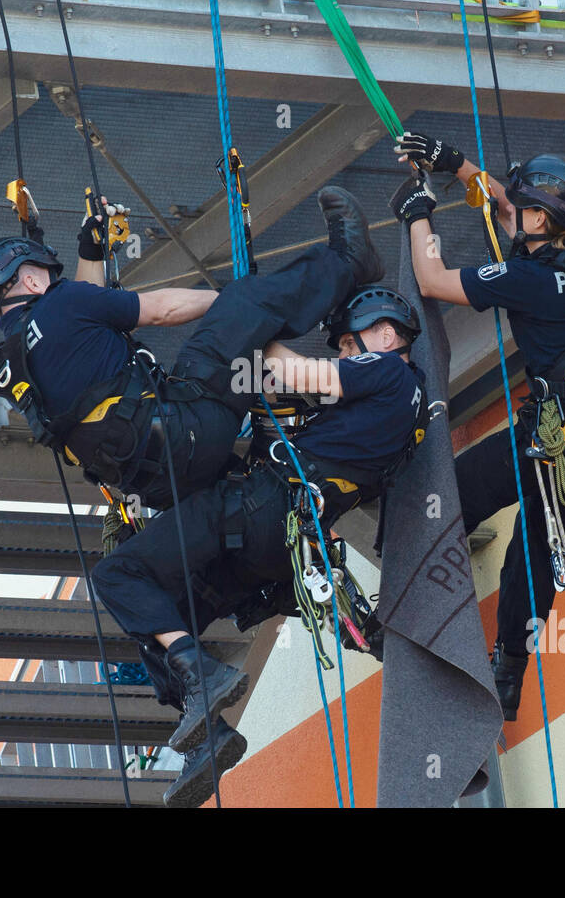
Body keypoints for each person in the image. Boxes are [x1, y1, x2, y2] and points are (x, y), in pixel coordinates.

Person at [93, 284, 426, 807]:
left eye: (346, 345)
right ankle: (209, 737)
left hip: (262, 510)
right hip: (276, 547)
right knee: (158, 625)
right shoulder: (394, 413)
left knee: (117, 576)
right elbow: (293, 402)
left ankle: (206, 684)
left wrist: (249, 319)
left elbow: (303, 374)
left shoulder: (389, 370)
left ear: (386, 334)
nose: (341, 354)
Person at [389, 135, 565, 721]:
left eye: (527, 207)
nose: (515, 213)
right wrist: (455, 164)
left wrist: (418, 214)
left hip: (562, 440)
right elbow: (504, 208)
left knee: (451, 494)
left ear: (543, 217)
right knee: (531, 553)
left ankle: (403, 599)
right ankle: (507, 675)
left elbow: (432, 280)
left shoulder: (524, 278)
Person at [0, 186, 383, 512]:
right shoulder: (61, 305)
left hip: (162, 485)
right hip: (187, 431)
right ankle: (348, 262)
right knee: (244, 308)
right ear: (30, 283)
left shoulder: (13, 364)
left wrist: (91, 252)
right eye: (46, 273)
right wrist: (236, 302)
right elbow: (163, 311)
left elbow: (85, 325)